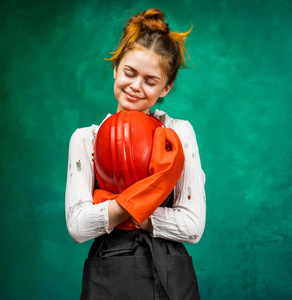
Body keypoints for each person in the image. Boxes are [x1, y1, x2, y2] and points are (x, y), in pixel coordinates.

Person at [65, 8, 206, 300]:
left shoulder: (178, 134)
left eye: (150, 81)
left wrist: (111, 206)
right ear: (116, 68)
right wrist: (146, 208)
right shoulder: (84, 140)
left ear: (166, 87)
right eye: (129, 73)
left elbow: (192, 227)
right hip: (109, 270)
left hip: (170, 270)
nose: (135, 86)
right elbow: (78, 226)